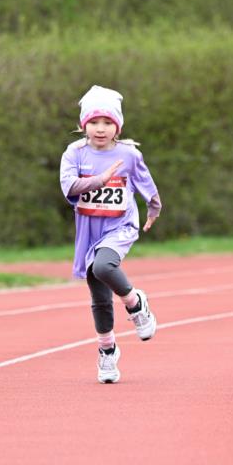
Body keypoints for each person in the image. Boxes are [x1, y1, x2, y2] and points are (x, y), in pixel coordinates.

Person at [59, 85, 162, 384]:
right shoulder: (74, 153)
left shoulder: (129, 154)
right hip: (90, 229)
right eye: (94, 122)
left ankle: (135, 303)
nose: (100, 129)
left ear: (117, 126)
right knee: (99, 295)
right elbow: (68, 187)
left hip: (120, 226)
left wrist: (154, 208)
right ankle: (107, 350)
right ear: (83, 125)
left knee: (104, 267)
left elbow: (146, 183)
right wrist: (99, 179)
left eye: (107, 123)